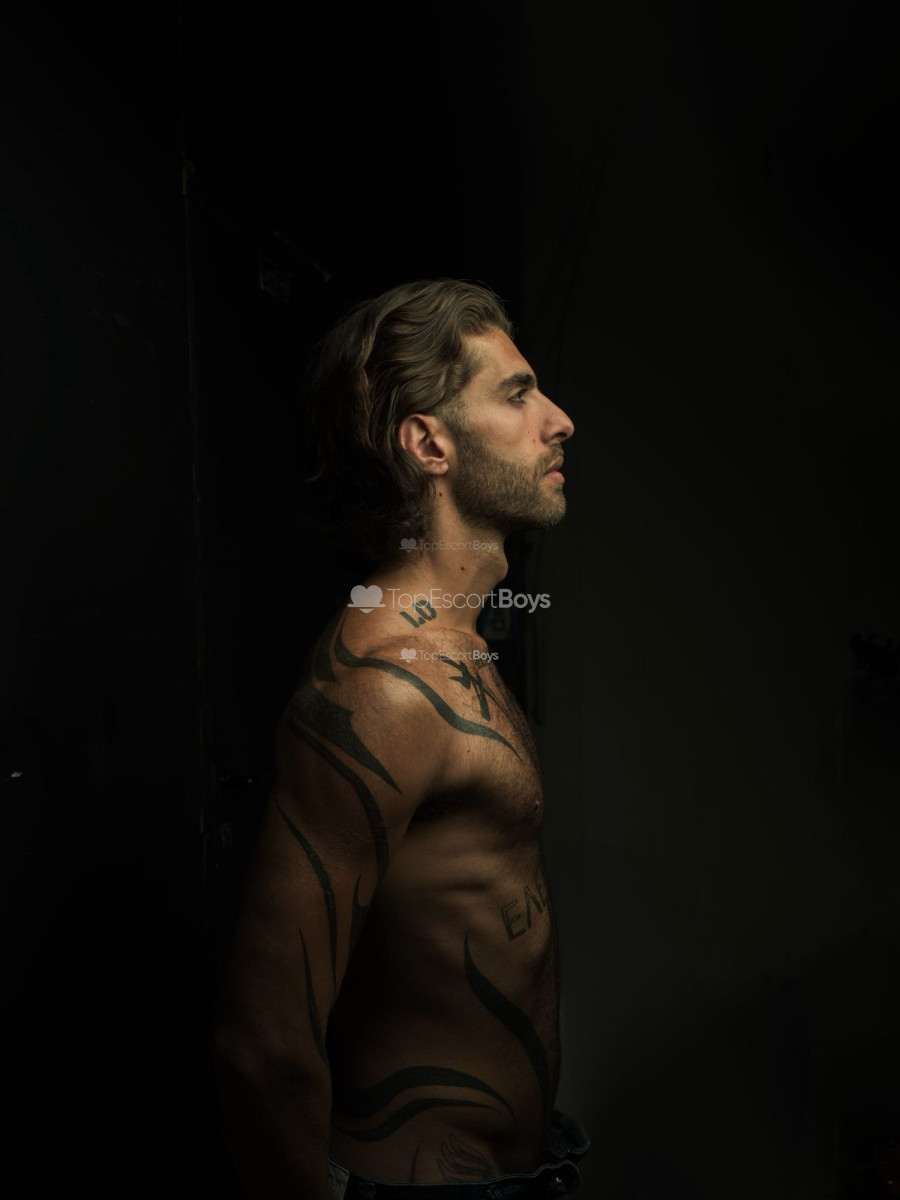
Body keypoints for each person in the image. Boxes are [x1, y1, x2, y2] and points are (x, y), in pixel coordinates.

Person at [214, 279, 589, 1198]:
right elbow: (264, 1047)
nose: (560, 420)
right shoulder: (384, 687)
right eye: (517, 394)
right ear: (429, 445)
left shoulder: (457, 645)